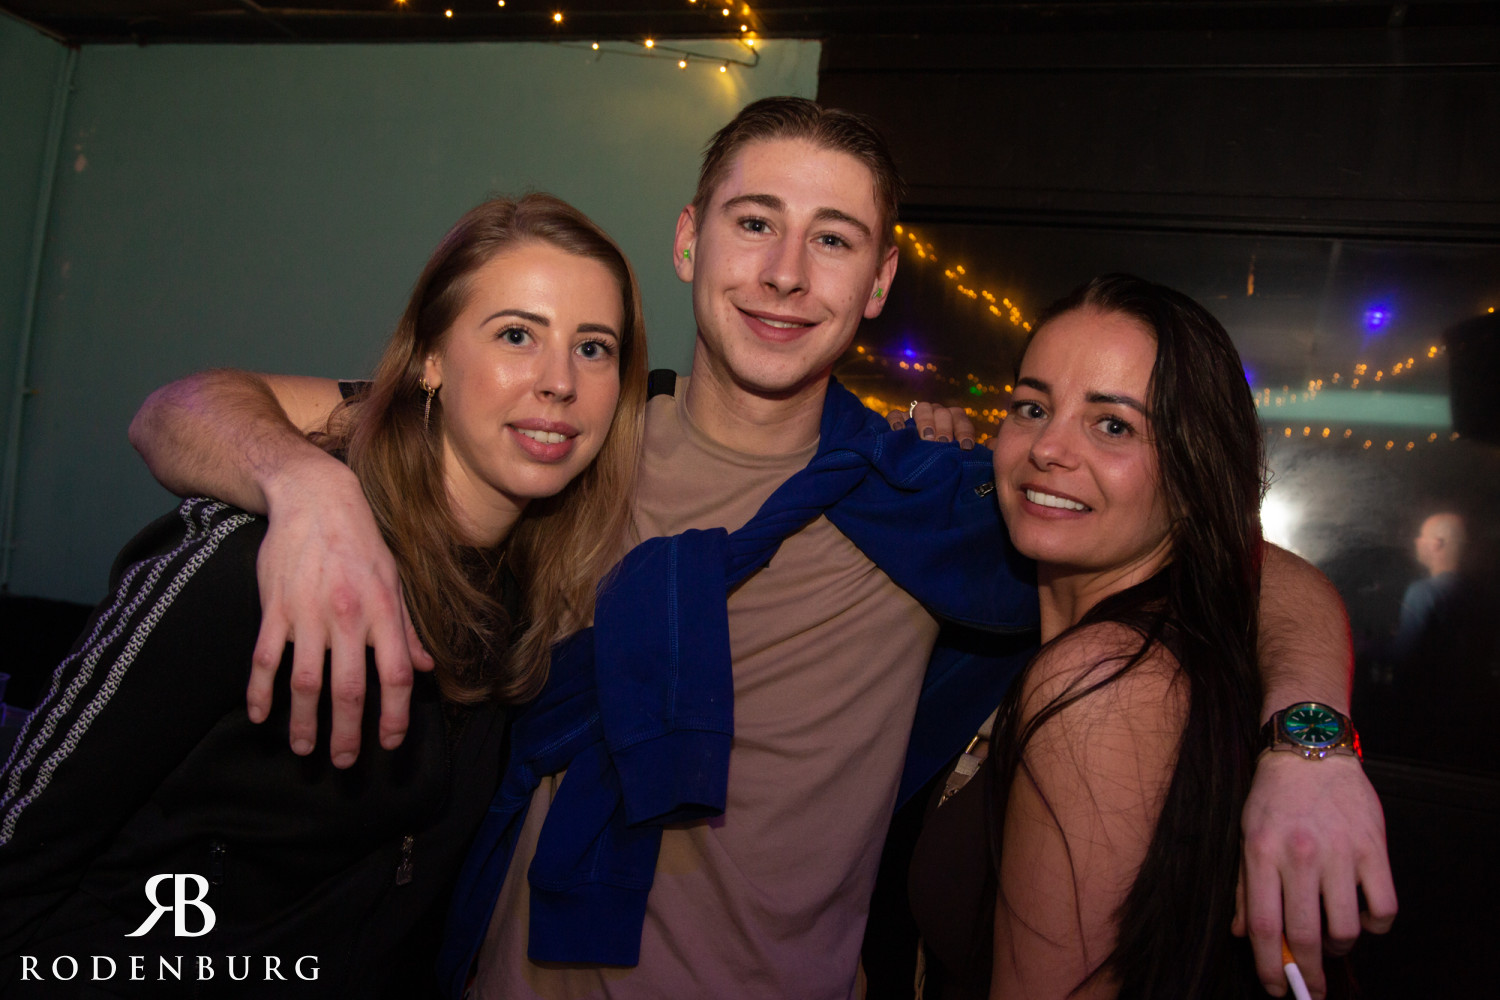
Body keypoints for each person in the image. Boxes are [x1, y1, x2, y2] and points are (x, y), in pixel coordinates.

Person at [127, 98, 1394, 1000]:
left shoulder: (930, 494)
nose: (786, 274)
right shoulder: (561, 435)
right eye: (755, 223)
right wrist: (308, 487)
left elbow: (1255, 573)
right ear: (690, 240)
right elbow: (183, 408)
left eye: (833, 239)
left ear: (878, 281)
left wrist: (1310, 747)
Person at [0, 193, 648, 997]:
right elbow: (20, 847)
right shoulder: (258, 558)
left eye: (594, 347)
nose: (559, 382)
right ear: (431, 360)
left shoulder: (521, 601)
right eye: (517, 334)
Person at [910, 275, 1286, 997]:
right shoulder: (1095, 643)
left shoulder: (1102, 681)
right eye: (1032, 407)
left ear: (1195, 471)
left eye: (1113, 425)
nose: (1048, 448)